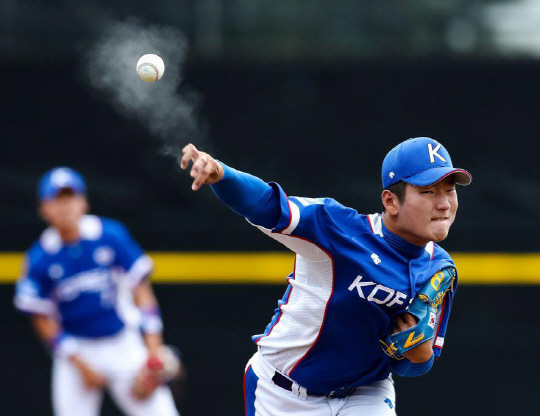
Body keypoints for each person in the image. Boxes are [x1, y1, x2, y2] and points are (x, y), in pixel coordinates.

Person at [180, 137, 471, 415]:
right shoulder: (339, 230)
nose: (444, 203)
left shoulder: (440, 269)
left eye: (449, 189)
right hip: (285, 392)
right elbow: (269, 206)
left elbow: (415, 365)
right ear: (391, 201)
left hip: (365, 393)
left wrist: (418, 354)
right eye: (428, 192)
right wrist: (222, 175)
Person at [14, 167, 180, 416]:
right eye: (57, 199)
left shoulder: (110, 235)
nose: (65, 205)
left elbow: (141, 290)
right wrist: (79, 364)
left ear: (83, 201)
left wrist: (153, 350)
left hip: (122, 342)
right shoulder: (40, 257)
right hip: (77, 349)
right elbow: (41, 317)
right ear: (43, 208)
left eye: (70, 197)